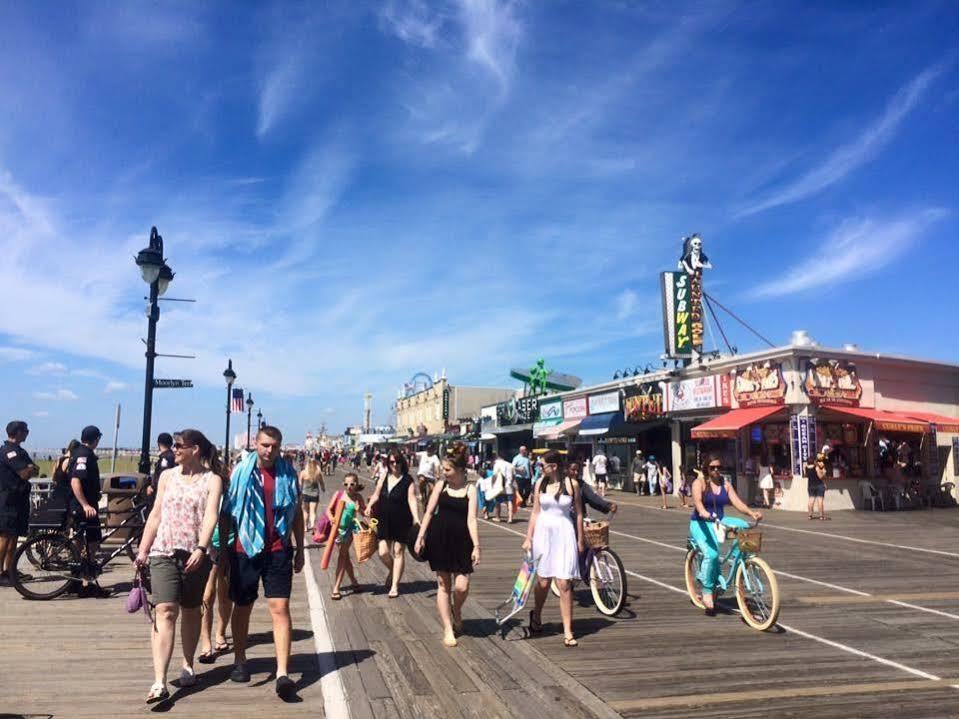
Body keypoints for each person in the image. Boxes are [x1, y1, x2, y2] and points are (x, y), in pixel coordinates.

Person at [136, 429, 223, 703]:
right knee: (165, 610)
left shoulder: (213, 480)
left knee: (191, 609)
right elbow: (156, 514)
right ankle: (160, 681)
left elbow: (211, 516)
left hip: (195, 554)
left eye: (179, 446)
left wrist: (201, 547)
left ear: (195, 449)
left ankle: (187, 664)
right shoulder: (167, 476)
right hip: (163, 550)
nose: (175, 450)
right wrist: (143, 550)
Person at [222, 426, 304, 700]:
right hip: (245, 546)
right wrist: (222, 550)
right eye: (265, 445)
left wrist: (300, 548)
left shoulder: (288, 474)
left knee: (280, 607)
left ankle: (282, 673)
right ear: (256, 444)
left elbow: (296, 514)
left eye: (275, 446)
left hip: (278, 546)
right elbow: (227, 512)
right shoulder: (241, 473)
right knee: (242, 605)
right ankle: (240, 659)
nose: (270, 451)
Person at [415, 442, 480, 647]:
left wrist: (477, 546)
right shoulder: (441, 486)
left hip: (462, 542)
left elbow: (472, 519)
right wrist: (420, 536)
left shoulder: (471, 490)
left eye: (447, 469)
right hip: (440, 539)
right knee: (443, 584)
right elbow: (429, 511)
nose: (443, 472)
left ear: (460, 470)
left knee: (461, 586)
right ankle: (448, 628)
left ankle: (457, 609)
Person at [523, 450, 584, 647]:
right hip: (543, 534)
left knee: (564, 582)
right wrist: (528, 537)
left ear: (554, 466)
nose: (540, 468)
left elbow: (579, 514)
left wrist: (580, 539)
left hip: (564, 534)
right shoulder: (540, 483)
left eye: (543, 465)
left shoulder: (571, 484)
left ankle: (568, 630)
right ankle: (537, 615)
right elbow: (534, 513)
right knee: (543, 581)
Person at [689, 456, 762, 615]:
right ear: (706, 468)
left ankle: (739, 559)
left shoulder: (725, 484)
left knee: (742, 525)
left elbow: (737, 502)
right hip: (701, 523)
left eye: (719, 467)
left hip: (719, 520)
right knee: (712, 554)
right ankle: (707, 589)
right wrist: (703, 512)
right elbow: (698, 502)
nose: (716, 470)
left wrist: (751, 513)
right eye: (712, 467)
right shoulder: (699, 483)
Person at [365, 449, 419, 598]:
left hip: (402, 519)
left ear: (402, 462)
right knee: (382, 552)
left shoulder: (408, 480)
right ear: (388, 463)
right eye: (391, 462)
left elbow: (412, 499)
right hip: (384, 519)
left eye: (397, 461)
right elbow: (376, 494)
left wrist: (416, 518)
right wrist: (369, 506)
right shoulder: (384, 477)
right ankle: (392, 570)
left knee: (398, 551)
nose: (395, 464)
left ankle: (394, 585)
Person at [68, 425, 111, 598]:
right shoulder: (84, 455)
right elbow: (75, 481)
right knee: (92, 543)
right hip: (84, 509)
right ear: (96, 439)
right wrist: (85, 505)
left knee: (85, 544)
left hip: (84, 506)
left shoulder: (80, 452)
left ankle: (78, 581)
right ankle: (87, 582)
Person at [0, 421, 39, 586]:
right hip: (8, 500)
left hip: (18, 500)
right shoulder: (9, 452)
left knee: (14, 537)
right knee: (4, 537)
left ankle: (10, 570)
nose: (28, 433)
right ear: (18, 432)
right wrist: (30, 468)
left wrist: (31, 468)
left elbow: (34, 469)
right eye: (26, 430)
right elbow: (25, 473)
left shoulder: (19, 451)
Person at [330, 473, 367, 600]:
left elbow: (365, 514)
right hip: (336, 530)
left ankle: (336, 587)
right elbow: (328, 510)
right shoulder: (339, 495)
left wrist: (359, 510)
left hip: (349, 531)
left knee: (342, 556)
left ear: (356, 484)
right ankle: (354, 582)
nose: (349, 486)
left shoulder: (358, 497)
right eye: (346, 484)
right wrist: (332, 519)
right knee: (345, 557)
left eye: (352, 484)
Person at [298, 457, 325, 539]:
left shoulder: (303, 472)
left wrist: (299, 493)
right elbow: (321, 483)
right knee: (313, 511)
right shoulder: (317, 472)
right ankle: (312, 525)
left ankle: (305, 527)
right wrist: (323, 489)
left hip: (305, 494)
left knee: (305, 511)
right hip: (315, 494)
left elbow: (300, 484)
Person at [491, 451, 515, 523]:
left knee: (498, 502)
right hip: (509, 485)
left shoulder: (497, 464)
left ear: (498, 457)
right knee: (509, 502)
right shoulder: (510, 465)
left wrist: (492, 484)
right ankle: (510, 518)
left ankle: (498, 517)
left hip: (499, 486)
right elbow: (514, 476)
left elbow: (495, 475)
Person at [807, 453, 828, 520]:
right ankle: (821, 516)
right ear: (814, 461)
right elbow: (820, 476)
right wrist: (824, 472)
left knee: (811, 500)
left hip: (810, 485)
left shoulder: (806, 467)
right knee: (820, 500)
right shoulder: (816, 468)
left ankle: (810, 515)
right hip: (819, 485)